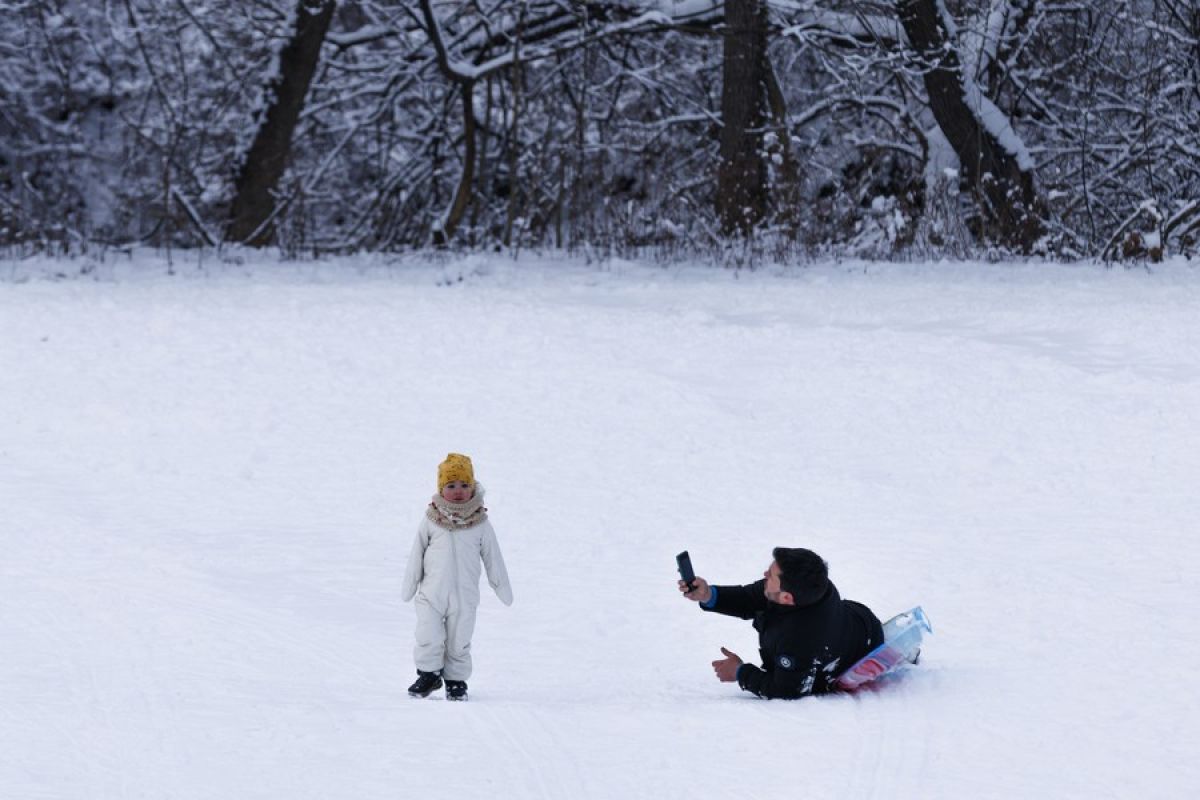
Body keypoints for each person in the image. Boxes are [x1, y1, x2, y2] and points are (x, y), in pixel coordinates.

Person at [678, 547, 883, 699]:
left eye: (771, 575)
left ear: (786, 598)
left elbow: (786, 690)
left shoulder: (801, 639)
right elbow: (749, 598)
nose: (765, 575)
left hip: (865, 642)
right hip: (854, 618)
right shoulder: (806, 586)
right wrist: (708, 595)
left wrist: (740, 672)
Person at [401, 453, 512, 701]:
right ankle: (428, 674)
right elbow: (416, 554)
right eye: (451, 486)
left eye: (464, 485)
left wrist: (501, 585)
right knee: (428, 634)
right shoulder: (431, 520)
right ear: (441, 489)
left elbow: (494, 557)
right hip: (431, 594)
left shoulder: (480, 524)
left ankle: (455, 680)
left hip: (465, 597)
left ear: (472, 487)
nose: (458, 491)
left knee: (459, 639)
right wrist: (410, 584)